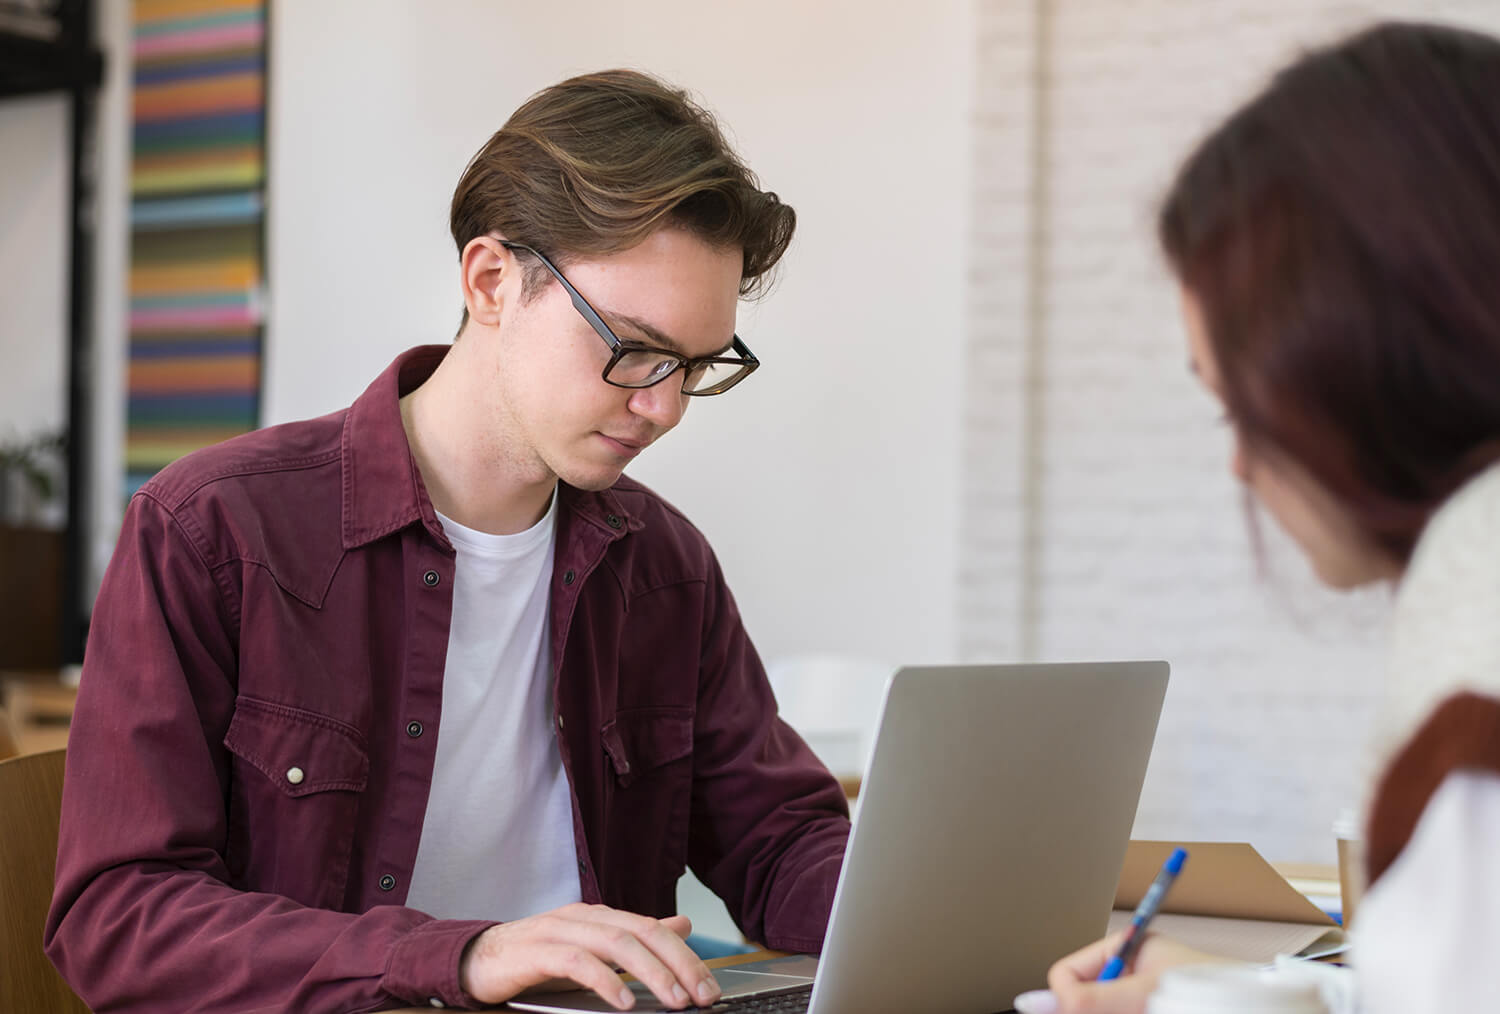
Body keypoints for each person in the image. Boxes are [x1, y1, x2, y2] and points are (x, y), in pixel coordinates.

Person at [44, 69, 851, 1013]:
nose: (663, 407)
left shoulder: (663, 567)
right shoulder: (216, 530)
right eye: (632, 348)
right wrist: (458, 957)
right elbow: (119, 919)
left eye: (696, 366)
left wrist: (972, 911)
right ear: (492, 281)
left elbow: (778, 840)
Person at [1037, 21, 1500, 1014]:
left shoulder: (1478, 724)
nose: (1241, 462)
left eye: (1240, 404)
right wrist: (1233, 990)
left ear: (1361, 354)